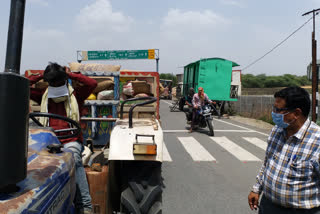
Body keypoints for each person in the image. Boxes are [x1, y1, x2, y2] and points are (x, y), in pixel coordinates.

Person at [28, 62, 97, 214]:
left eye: (58, 81)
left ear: (64, 81)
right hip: (48, 139)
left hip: (71, 140)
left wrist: (68, 74)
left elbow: (92, 83)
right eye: (52, 82)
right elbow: (22, 87)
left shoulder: (76, 94)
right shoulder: (43, 96)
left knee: (73, 158)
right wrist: (42, 76)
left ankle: (85, 205)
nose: (55, 85)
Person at [248, 86, 320, 214]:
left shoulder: (317, 142)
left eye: (278, 110)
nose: (273, 113)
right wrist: (256, 189)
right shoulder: (277, 130)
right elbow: (267, 162)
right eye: (274, 108)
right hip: (268, 206)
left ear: (296, 113)